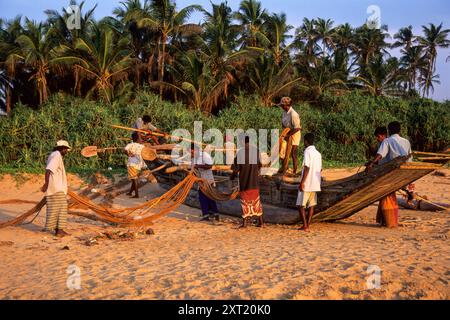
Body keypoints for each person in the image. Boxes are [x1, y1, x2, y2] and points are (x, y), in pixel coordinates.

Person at [366, 121, 412, 228]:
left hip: (391, 173)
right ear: (399, 130)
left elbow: (380, 154)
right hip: (404, 172)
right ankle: (385, 220)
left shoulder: (387, 141)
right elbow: (410, 158)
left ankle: (388, 221)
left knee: (384, 194)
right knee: (385, 195)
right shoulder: (406, 142)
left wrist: (372, 163)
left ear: (389, 131)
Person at [231, 136, 264, 228]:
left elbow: (236, 169)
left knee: (244, 203)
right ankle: (261, 222)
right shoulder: (256, 151)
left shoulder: (240, 153)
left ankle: (244, 224)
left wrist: (232, 177)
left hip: (245, 182)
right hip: (255, 182)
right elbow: (260, 165)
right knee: (257, 202)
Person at [41, 140, 71, 237]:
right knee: (59, 209)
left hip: (58, 188)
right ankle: (59, 231)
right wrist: (46, 184)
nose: (66, 151)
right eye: (66, 149)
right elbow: (48, 170)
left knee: (60, 209)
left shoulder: (55, 155)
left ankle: (59, 230)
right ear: (62, 148)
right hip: (56, 188)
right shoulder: (56, 155)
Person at [297, 133, 322, 232]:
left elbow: (307, 167)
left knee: (300, 205)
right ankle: (308, 225)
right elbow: (320, 169)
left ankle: (305, 226)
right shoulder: (318, 153)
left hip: (307, 183)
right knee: (311, 205)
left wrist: (302, 182)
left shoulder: (307, 152)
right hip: (315, 183)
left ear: (306, 141)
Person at [191, 143, 220, 222]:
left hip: (208, 180)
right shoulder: (193, 159)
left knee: (209, 197)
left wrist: (198, 166)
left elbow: (209, 166)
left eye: (192, 151)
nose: (191, 153)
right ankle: (208, 215)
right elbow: (193, 169)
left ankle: (213, 214)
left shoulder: (204, 155)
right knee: (203, 198)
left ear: (195, 150)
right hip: (200, 182)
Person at [278, 97, 301, 175]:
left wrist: (288, 134)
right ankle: (284, 166)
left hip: (294, 134)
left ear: (286, 105)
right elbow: (283, 124)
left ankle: (295, 171)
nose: (281, 107)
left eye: (282, 105)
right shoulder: (284, 112)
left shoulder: (294, 114)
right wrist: (285, 133)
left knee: (293, 153)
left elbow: (297, 128)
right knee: (282, 149)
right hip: (287, 132)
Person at [125, 132, 147, 198]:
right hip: (139, 165)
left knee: (134, 179)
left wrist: (128, 154)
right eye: (140, 137)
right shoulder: (142, 146)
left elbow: (125, 150)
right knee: (134, 179)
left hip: (132, 164)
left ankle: (136, 194)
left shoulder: (130, 145)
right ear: (137, 139)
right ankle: (130, 192)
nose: (141, 139)